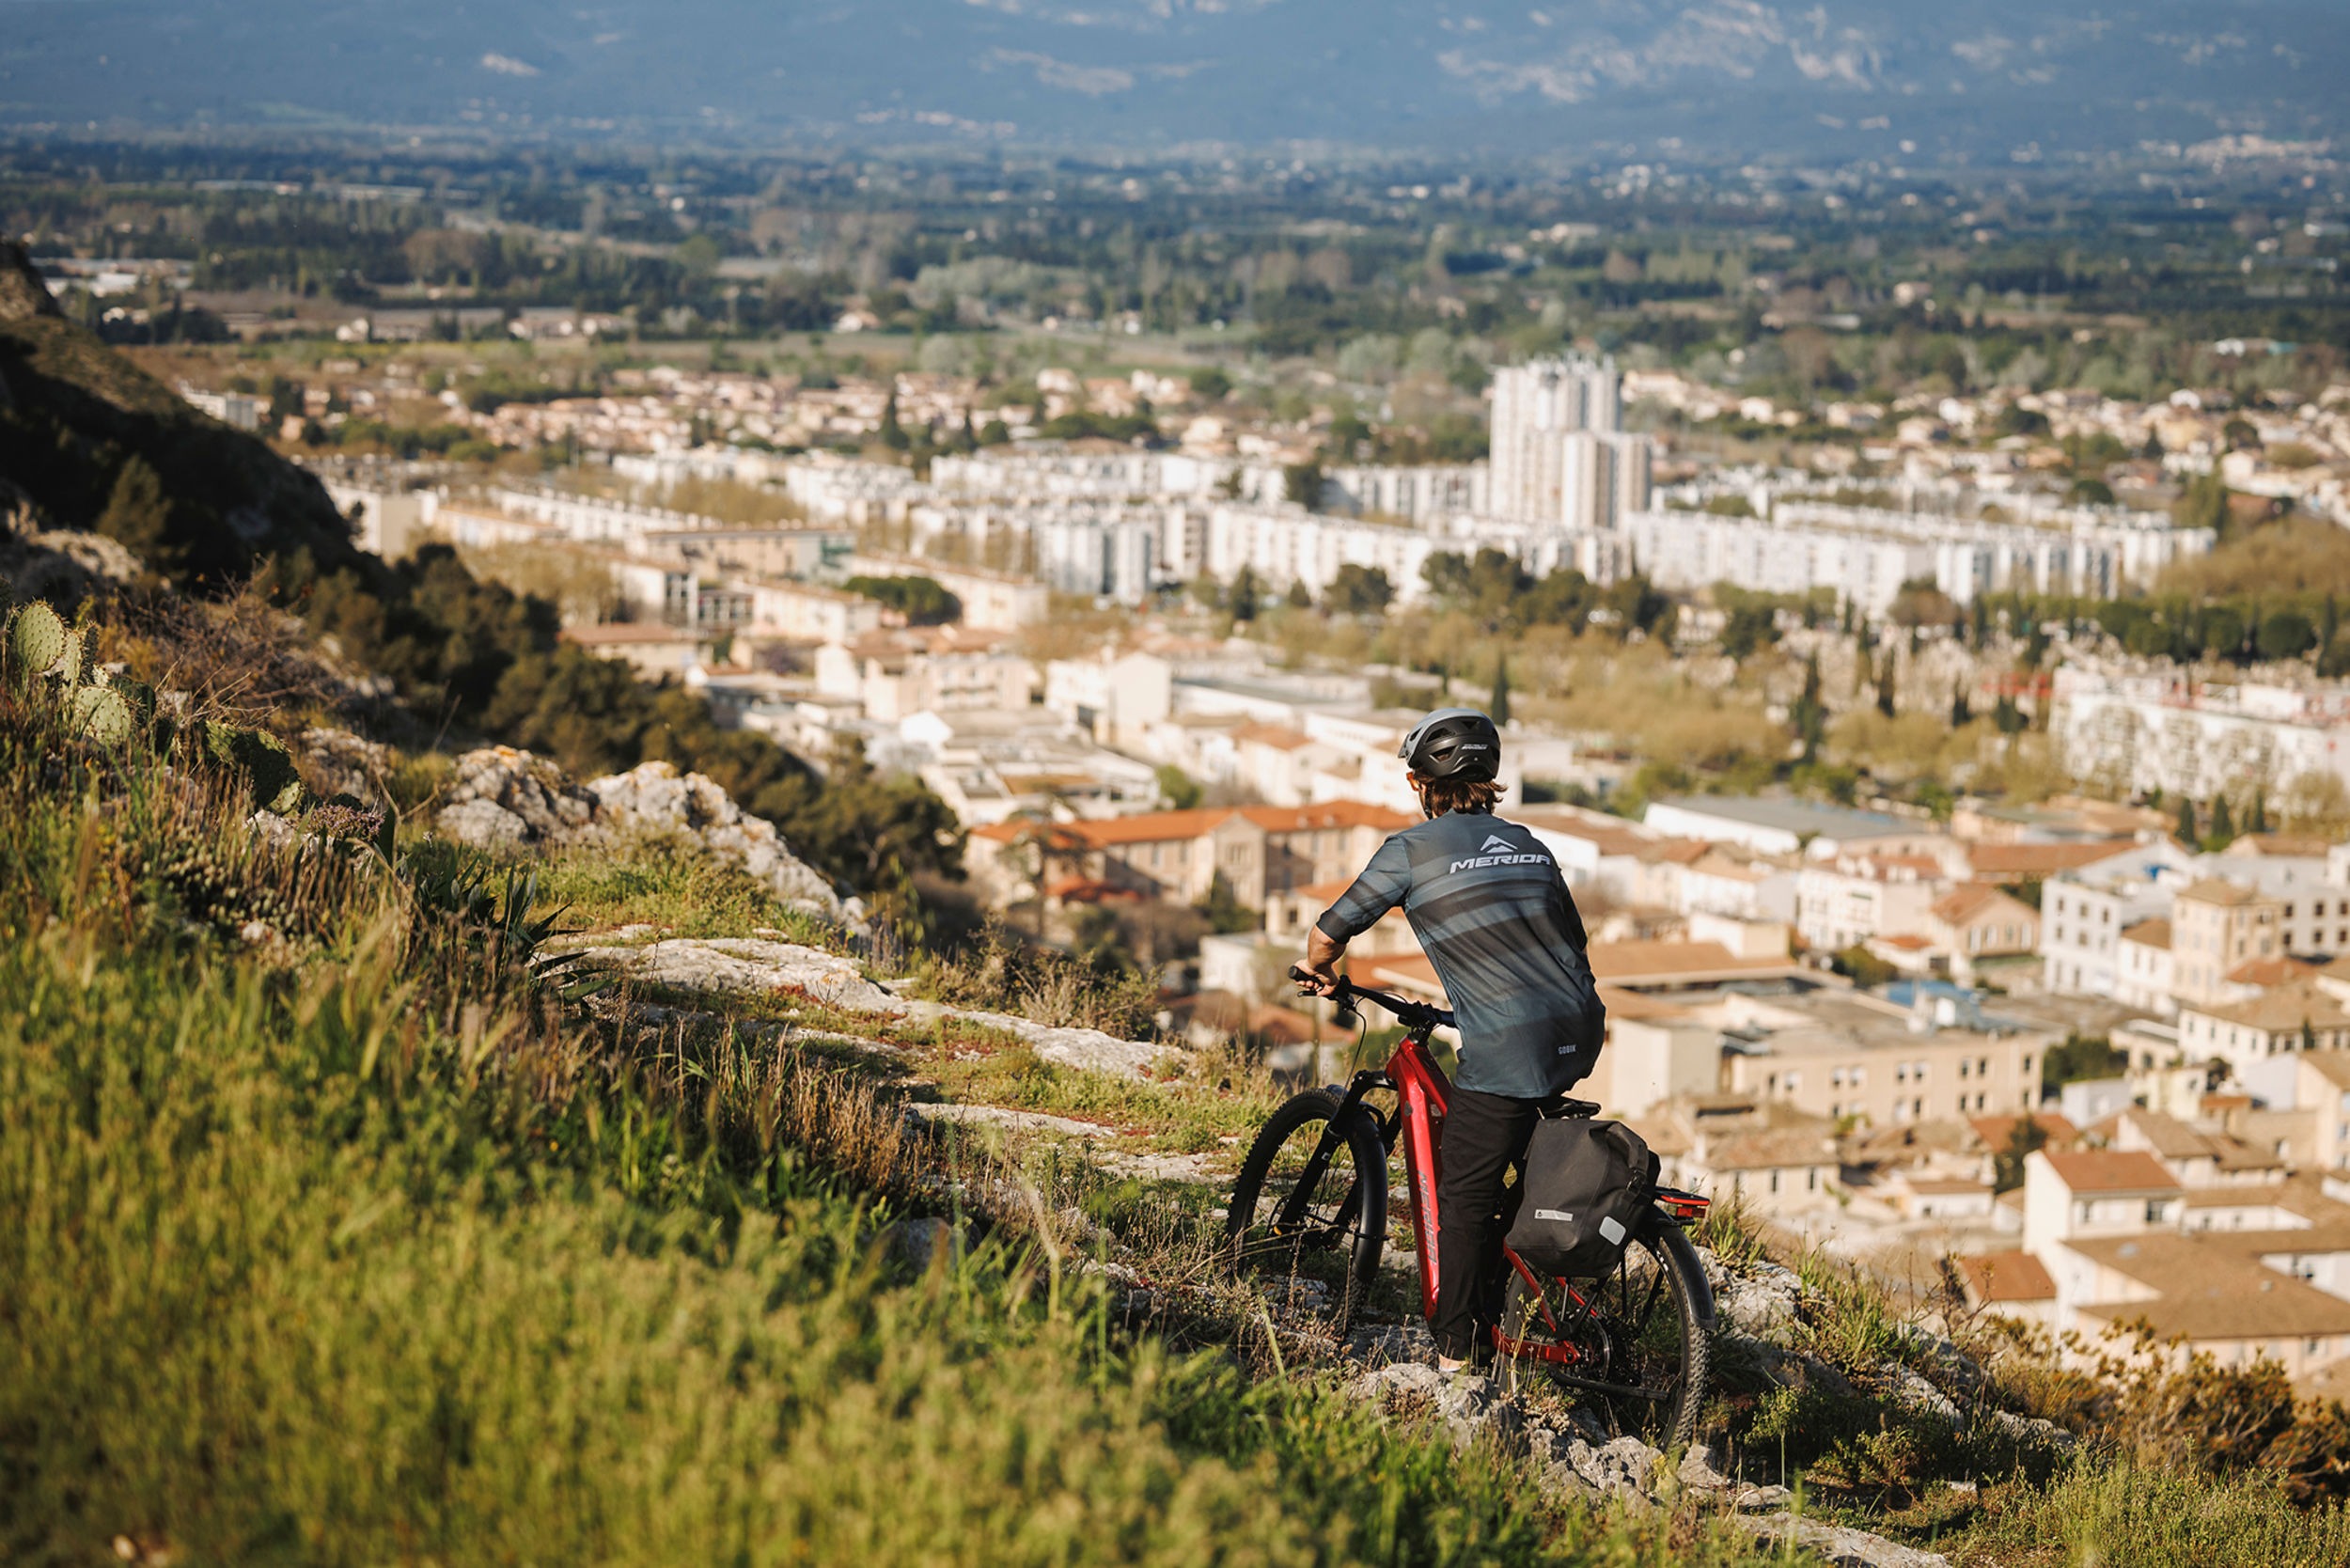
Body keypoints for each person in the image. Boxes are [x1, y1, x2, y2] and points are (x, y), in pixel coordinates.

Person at [1298, 707, 1604, 1374]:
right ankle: (1513, 1284)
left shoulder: (1409, 851)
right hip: (1579, 1029)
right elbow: (1572, 942)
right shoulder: (1530, 844)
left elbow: (1330, 932)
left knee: (1462, 1198)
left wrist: (1319, 971)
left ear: (1417, 785)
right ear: (1490, 779)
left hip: (1509, 1045)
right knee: (1509, 1161)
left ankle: (1457, 1358)